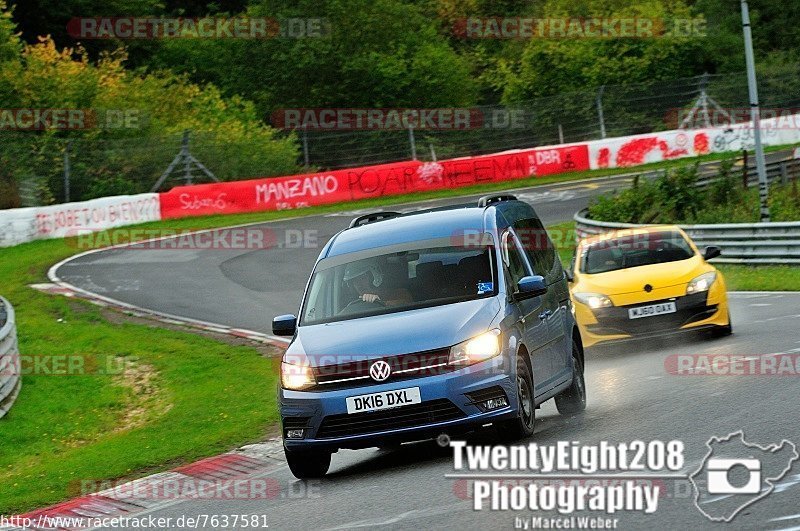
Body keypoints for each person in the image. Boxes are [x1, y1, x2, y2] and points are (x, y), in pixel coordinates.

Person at [342, 260, 412, 308]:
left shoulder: (399, 293)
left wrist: (380, 303)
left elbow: (407, 303)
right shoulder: (351, 305)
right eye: (355, 281)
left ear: (374, 276)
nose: (359, 284)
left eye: (362, 278)